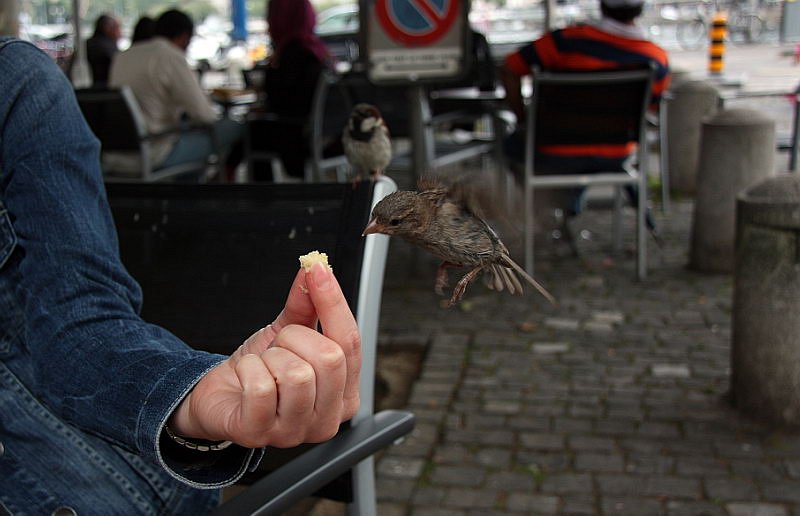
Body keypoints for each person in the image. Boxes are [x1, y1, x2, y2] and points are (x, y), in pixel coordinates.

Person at [0, 5, 361, 514]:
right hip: (162, 153)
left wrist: (190, 397)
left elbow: (77, 320)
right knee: (236, 132)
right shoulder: (165, 59)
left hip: (122, 158)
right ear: (183, 36)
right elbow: (208, 114)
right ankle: (230, 186)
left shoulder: (20, 83)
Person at [501, 0, 670, 234]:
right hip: (615, 154)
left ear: (602, 6)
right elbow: (649, 111)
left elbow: (510, 67)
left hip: (552, 150)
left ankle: (548, 208)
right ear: (641, 10)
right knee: (587, 148)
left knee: (511, 145)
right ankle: (568, 206)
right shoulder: (656, 59)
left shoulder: (565, 42)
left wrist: (521, 118)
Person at [109, 9, 243, 178]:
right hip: (153, 152)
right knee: (235, 127)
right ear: (184, 36)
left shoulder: (122, 57)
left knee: (190, 135)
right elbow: (205, 115)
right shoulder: (170, 56)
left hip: (116, 155)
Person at [244, 0, 332, 181]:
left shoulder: (293, 53)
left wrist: (270, 73)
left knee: (249, 132)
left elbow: (280, 101)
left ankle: (260, 197)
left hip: (297, 136)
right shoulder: (318, 50)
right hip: (325, 137)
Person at [86, 13, 121, 86]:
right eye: (117, 28)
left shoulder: (86, 45)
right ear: (107, 28)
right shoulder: (109, 47)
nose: (120, 32)